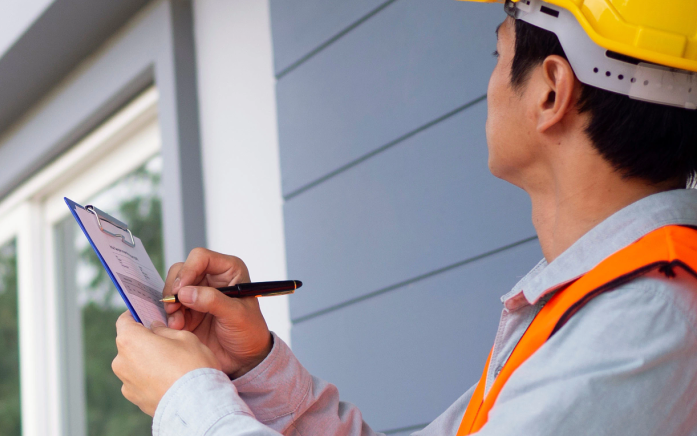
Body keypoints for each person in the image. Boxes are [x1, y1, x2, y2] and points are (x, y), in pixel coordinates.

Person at [111, 0, 697, 434]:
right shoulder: (607, 311)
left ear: (550, 92)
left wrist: (188, 399)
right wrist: (255, 369)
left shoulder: (645, 325)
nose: (489, 83)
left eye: (498, 53)